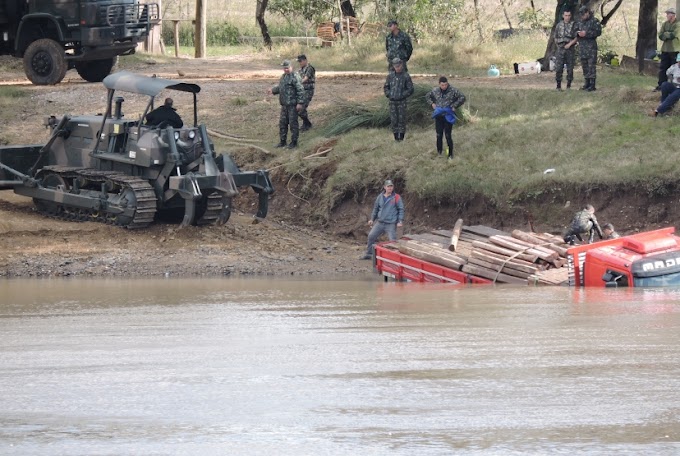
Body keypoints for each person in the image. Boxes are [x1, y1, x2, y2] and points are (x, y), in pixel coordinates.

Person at [360, 179, 405, 260]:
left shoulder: (396, 197)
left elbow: (401, 209)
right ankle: (369, 253)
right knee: (371, 236)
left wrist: (400, 221)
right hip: (380, 222)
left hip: (390, 223)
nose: (390, 188)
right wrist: (372, 219)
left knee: (393, 241)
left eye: (391, 186)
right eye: (388, 186)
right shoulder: (380, 197)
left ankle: (394, 258)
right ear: (385, 187)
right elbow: (376, 209)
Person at [268, 60, 305, 149]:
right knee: (283, 124)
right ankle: (282, 141)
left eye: (287, 68)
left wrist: (300, 103)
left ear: (291, 67)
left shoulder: (295, 77)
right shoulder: (284, 77)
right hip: (284, 105)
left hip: (292, 105)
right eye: (284, 68)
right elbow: (281, 87)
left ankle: (294, 143)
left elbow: (300, 90)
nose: (286, 70)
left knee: (293, 124)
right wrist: (273, 90)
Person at [426, 76, 466, 159]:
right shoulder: (435, 91)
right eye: (442, 85)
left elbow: (462, 97)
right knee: (439, 135)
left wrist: (455, 106)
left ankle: (450, 154)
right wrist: (432, 104)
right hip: (439, 116)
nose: (444, 86)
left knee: (448, 135)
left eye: (445, 85)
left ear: (447, 84)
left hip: (448, 115)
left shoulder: (453, 90)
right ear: (439, 84)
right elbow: (427, 96)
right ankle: (439, 152)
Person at [383, 58, 414, 141]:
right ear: (393, 66)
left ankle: (402, 137)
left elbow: (410, 89)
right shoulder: (390, 76)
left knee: (402, 119)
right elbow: (386, 87)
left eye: (399, 66)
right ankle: (396, 137)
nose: (397, 68)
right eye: (396, 66)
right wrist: (389, 94)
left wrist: (402, 95)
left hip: (402, 102)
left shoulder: (406, 76)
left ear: (402, 65)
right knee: (394, 120)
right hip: (392, 102)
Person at [574, 6, 602, 92]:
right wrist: (578, 33)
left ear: (587, 13)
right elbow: (574, 30)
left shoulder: (594, 21)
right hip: (582, 47)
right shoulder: (580, 22)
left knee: (591, 66)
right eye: (581, 15)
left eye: (583, 14)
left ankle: (592, 84)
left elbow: (598, 32)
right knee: (584, 66)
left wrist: (586, 33)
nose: (582, 17)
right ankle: (587, 83)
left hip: (591, 47)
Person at [656, 8, 680, 91]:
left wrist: (666, 34)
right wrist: (667, 34)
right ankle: (661, 85)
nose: (667, 15)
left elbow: (674, 35)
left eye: (668, 14)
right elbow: (660, 35)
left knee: (674, 68)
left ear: (673, 15)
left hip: (675, 49)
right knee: (663, 68)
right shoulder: (665, 24)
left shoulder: (678, 24)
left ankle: (673, 86)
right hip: (665, 49)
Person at [554, 10, 577, 90]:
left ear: (570, 16)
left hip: (570, 49)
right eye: (566, 15)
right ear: (563, 16)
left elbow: (576, 38)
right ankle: (558, 85)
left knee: (570, 68)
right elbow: (555, 37)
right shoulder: (559, 25)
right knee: (559, 68)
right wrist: (559, 46)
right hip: (560, 49)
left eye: (569, 15)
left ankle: (568, 85)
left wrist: (569, 44)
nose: (567, 17)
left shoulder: (573, 25)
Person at [296, 54, 316, 132]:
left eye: (300, 61)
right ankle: (306, 124)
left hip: (308, 91)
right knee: (298, 109)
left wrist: (298, 83)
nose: (300, 63)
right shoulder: (301, 70)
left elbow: (305, 79)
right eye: (299, 61)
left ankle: (307, 124)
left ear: (305, 60)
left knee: (301, 108)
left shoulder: (309, 68)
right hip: (301, 91)